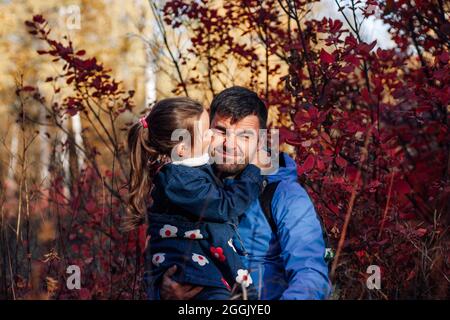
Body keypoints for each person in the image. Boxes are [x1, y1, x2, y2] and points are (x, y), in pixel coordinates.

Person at [158, 87, 331, 300]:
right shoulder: (190, 185)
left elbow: (310, 275)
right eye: (221, 131)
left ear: (261, 141)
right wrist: (164, 291)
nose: (229, 145)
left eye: (244, 136)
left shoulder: (286, 195)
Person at [126, 97, 263, 300]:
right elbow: (225, 206)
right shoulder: (177, 179)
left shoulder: (193, 168)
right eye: (205, 132)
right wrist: (254, 171)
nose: (211, 136)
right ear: (181, 149)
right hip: (192, 273)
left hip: (204, 267)